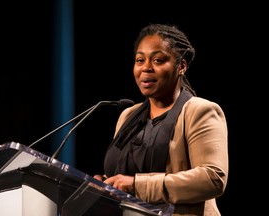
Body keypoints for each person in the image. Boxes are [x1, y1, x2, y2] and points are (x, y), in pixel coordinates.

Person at [94, 23, 228, 215]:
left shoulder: (200, 111)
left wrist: (135, 184)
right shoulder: (128, 116)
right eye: (140, 60)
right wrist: (105, 182)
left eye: (157, 60)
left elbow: (212, 178)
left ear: (181, 66)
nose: (146, 68)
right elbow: (125, 175)